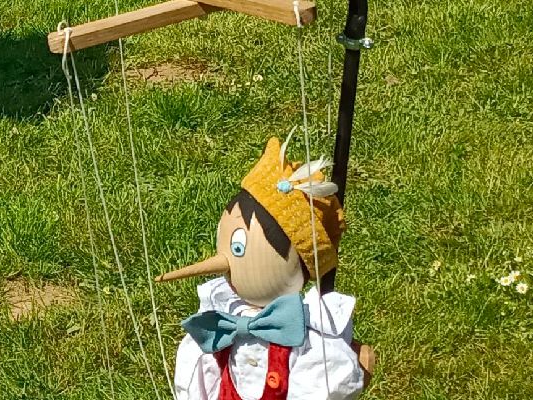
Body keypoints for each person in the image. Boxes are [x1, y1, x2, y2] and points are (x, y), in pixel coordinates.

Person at [155, 138, 376, 400]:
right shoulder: (221, 320)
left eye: (238, 248)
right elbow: (202, 376)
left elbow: (322, 387)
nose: (224, 260)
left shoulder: (308, 341)